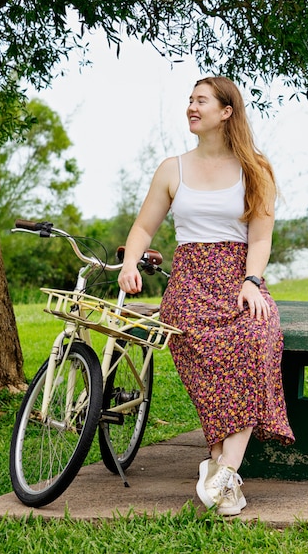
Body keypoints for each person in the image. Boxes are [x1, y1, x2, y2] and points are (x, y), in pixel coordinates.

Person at [118, 76, 294, 516]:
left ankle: (224, 470)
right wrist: (128, 263)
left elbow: (260, 239)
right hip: (191, 282)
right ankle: (223, 476)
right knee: (210, 362)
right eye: (190, 101)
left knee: (260, 337)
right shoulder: (172, 169)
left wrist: (252, 281)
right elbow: (143, 228)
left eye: (201, 101)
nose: (192, 108)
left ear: (226, 111)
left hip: (239, 278)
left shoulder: (255, 167)